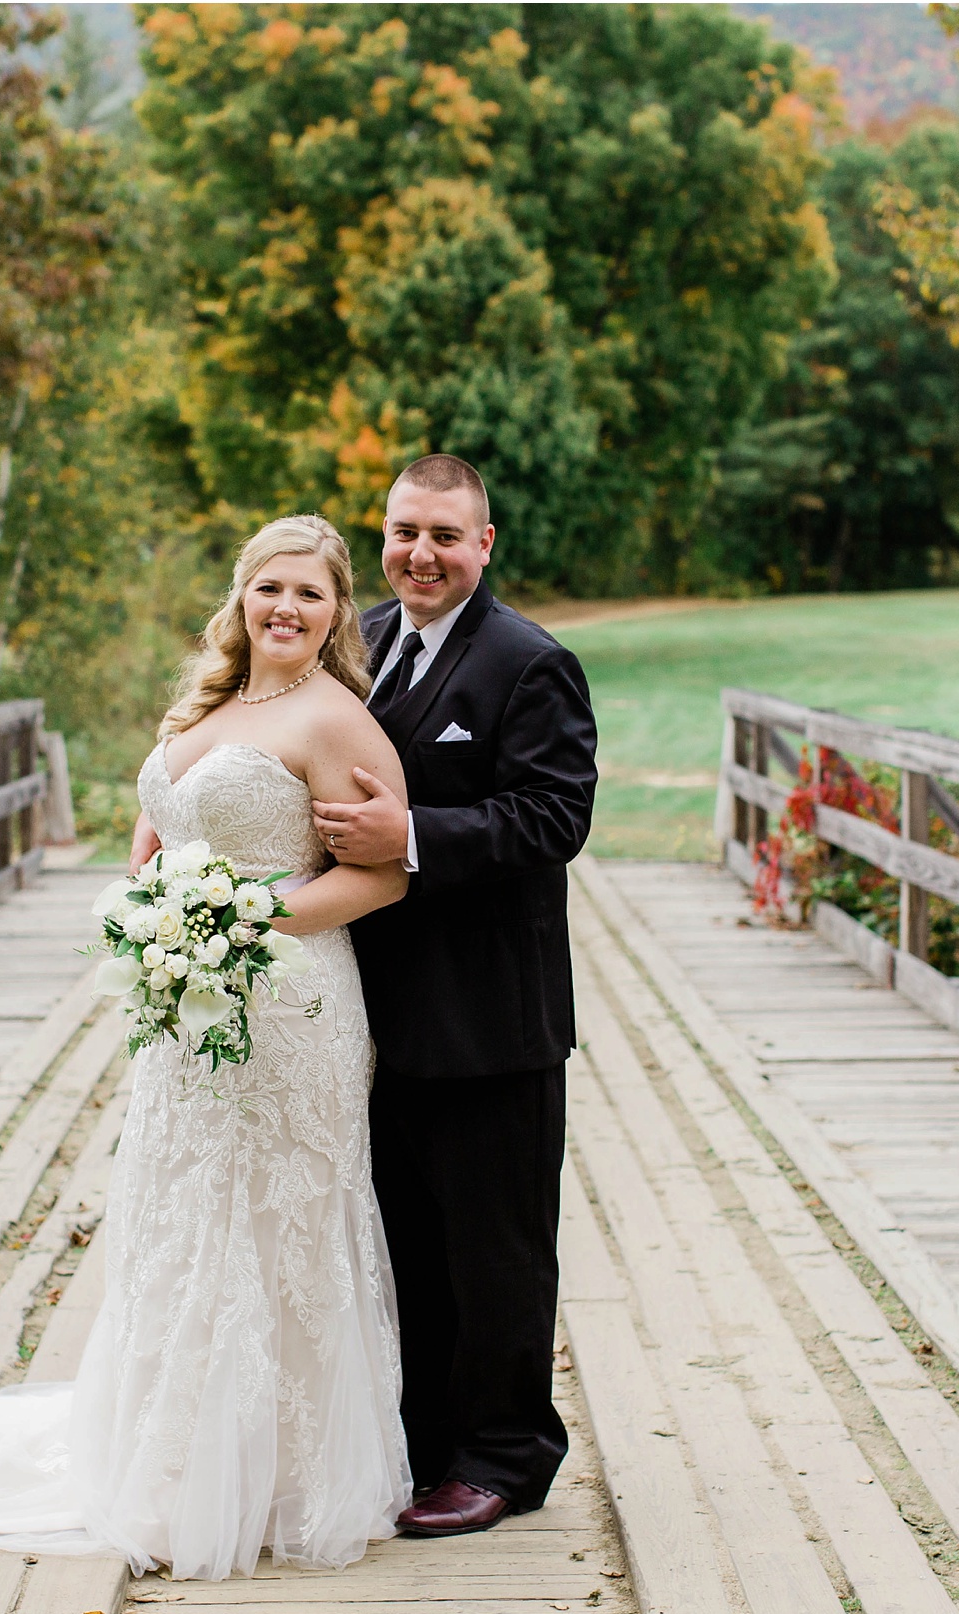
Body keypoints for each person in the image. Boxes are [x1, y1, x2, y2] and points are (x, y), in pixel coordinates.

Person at [0, 515, 416, 1579]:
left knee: (275, 1220)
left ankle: (285, 1476)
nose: (285, 609)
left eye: (310, 595)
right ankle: (173, 1457)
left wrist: (243, 923)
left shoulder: (337, 721)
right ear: (239, 597)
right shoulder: (207, 702)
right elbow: (159, 837)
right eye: (267, 589)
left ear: (337, 613)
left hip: (289, 1010)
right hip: (186, 1010)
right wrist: (160, 915)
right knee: (181, 1211)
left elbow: (379, 875)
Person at [311, 454, 600, 1536]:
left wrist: (413, 837)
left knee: (495, 1254)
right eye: (402, 532)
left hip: (492, 1024)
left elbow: (551, 820)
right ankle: (424, 1445)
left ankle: (506, 1458)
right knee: (407, 1248)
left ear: (484, 544)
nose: (419, 554)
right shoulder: (365, 643)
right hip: (376, 1017)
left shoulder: (530, 664)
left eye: (443, 534)